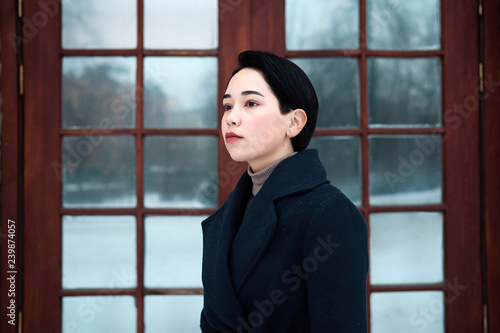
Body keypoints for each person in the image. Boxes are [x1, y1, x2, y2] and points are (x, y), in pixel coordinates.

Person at [200, 50, 368, 333]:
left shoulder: (329, 213)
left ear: (294, 122)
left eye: (251, 103)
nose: (231, 118)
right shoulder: (225, 218)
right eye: (227, 107)